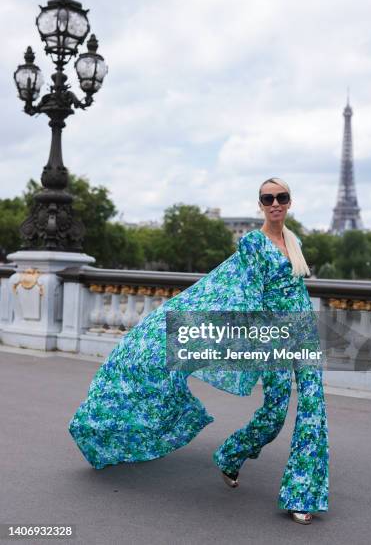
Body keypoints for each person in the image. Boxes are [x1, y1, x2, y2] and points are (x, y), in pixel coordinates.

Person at [68, 176, 329, 526]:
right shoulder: (253, 242)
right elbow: (242, 292)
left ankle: (303, 494)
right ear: (260, 205)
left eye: (281, 197)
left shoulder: (294, 241)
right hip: (272, 335)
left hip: (302, 331)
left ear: (290, 201)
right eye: (268, 199)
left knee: (314, 408)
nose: (275, 203)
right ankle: (230, 454)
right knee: (274, 414)